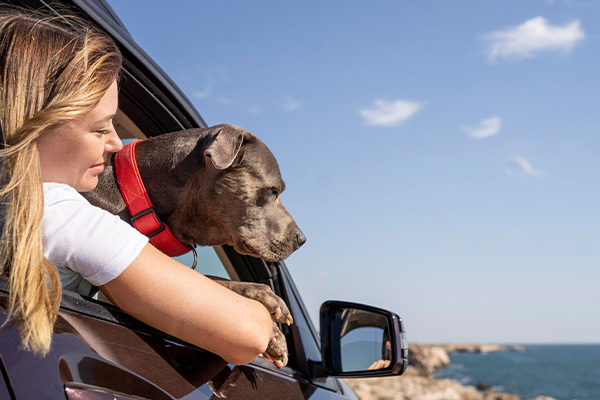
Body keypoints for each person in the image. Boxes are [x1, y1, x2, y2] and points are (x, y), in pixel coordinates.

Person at [0, 6, 276, 367]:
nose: (115, 143)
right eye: (100, 128)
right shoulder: (57, 212)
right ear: (35, 124)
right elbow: (248, 335)